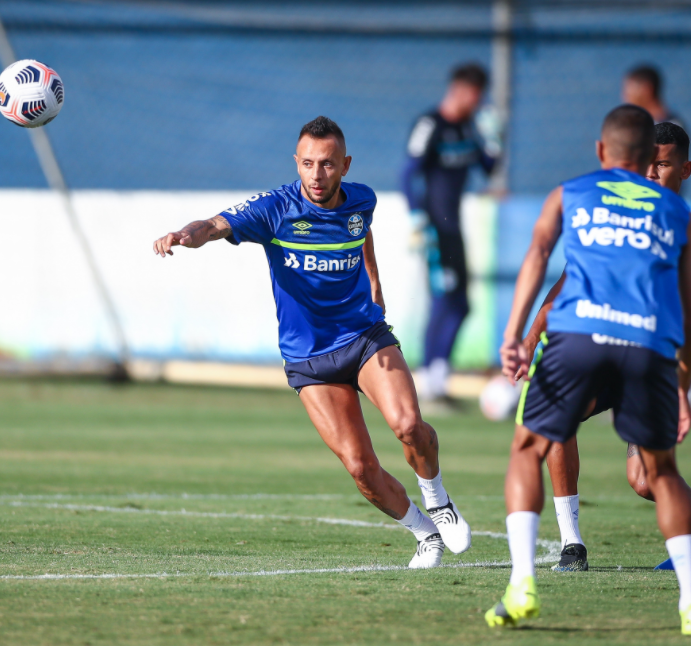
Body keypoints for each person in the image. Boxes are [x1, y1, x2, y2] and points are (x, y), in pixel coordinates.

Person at [152, 116, 471, 569]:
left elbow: (361, 232)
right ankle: (425, 533)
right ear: (296, 164)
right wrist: (187, 236)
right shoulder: (274, 209)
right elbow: (214, 224)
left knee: (408, 426)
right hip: (310, 358)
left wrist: (375, 284)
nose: (317, 175)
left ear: (345, 164)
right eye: (307, 164)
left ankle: (437, 499)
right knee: (361, 469)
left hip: (364, 336)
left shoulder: (363, 199)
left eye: (327, 164)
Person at [486, 106, 691, 635]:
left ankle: (522, 586)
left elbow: (536, 255)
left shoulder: (572, 193)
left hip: (579, 341)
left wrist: (512, 336)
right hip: (646, 347)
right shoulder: (678, 218)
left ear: (600, 152)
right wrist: (682, 387)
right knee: (662, 474)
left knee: (530, 448)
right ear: (645, 160)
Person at [521, 122, 691, 574]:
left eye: (662, 164)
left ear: (685, 168)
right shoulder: (609, 221)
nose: (652, 173)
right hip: (602, 355)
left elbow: (681, 312)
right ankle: (572, 545)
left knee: (644, 483)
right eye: (646, 163)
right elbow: (564, 285)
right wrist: (530, 337)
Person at [402, 63, 499, 401]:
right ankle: (429, 382)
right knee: (443, 299)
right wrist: (417, 217)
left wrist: (492, 139)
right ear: (460, 91)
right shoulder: (430, 125)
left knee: (461, 306)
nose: (478, 101)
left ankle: (438, 376)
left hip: (454, 229)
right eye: (475, 95)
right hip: (432, 228)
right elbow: (408, 173)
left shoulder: (471, 128)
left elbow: (489, 168)